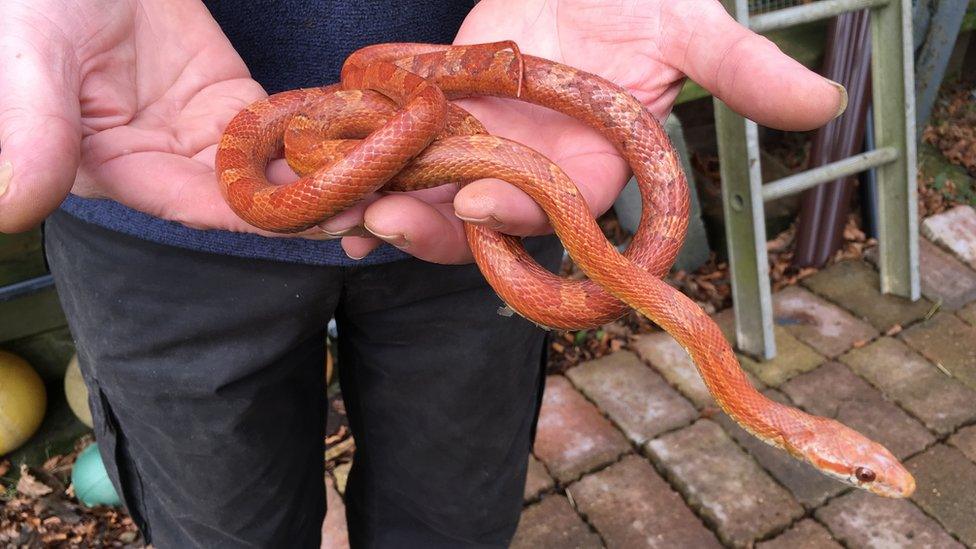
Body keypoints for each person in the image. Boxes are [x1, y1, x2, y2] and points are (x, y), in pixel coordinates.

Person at [0, 1, 845, 547]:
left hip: (471, 199)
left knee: (452, 521)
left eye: (857, 470)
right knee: (222, 526)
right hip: (151, 192)